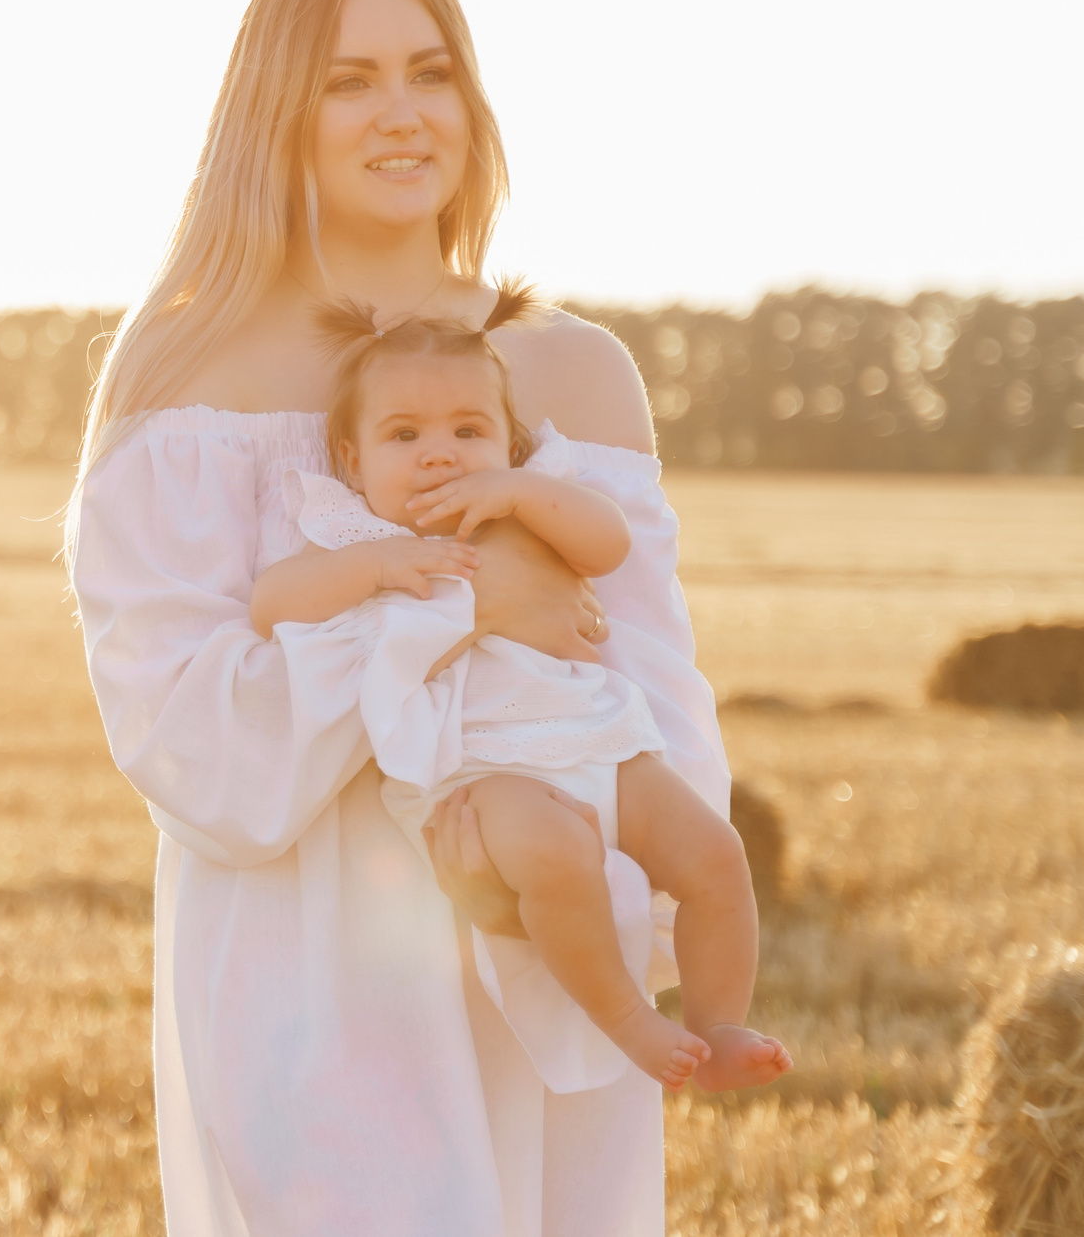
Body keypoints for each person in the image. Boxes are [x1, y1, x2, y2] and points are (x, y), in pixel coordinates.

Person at [68, 0, 732, 1235]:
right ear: (277, 112)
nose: (401, 110)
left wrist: (621, 899)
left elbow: (657, 688)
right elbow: (183, 727)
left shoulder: (579, 369)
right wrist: (448, 609)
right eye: (349, 79)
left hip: (543, 941)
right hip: (301, 961)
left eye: (431, 72)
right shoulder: (180, 362)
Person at [247, 291, 789, 1094]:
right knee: (557, 860)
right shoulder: (358, 534)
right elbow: (270, 605)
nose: (441, 454)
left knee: (717, 852)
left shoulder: (532, 506)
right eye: (405, 435)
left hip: (598, 740)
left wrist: (523, 495)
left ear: (510, 441)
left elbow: (609, 543)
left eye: (469, 431)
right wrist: (375, 569)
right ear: (354, 460)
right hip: (483, 769)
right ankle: (627, 1019)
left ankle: (717, 1019)